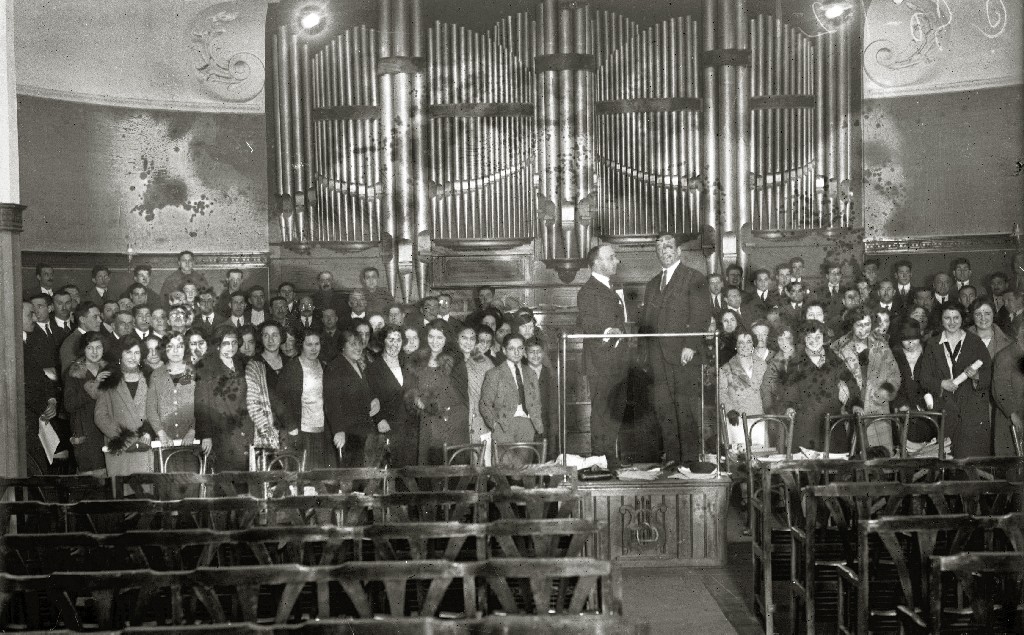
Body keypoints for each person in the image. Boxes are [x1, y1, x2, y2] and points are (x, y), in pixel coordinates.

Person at [640, 232, 713, 468]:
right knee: (664, 408)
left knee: (685, 408)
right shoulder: (652, 284)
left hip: (683, 354)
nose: (664, 251)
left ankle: (689, 459)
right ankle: (672, 457)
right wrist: (645, 355)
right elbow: (646, 322)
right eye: (659, 247)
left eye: (668, 246)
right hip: (657, 357)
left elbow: (701, 315)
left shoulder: (694, 277)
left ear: (679, 251)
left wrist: (690, 345)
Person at [576, 244, 630, 464]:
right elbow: (588, 323)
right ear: (597, 263)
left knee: (616, 410)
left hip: (617, 361)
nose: (617, 261)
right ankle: (600, 459)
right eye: (611, 257)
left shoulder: (611, 287)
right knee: (602, 412)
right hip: (600, 362)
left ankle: (610, 458)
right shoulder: (587, 291)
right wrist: (609, 331)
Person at [919, 303, 992, 458]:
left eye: (956, 318)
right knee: (947, 460)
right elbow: (924, 378)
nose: (952, 322)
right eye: (947, 318)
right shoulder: (932, 344)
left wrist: (976, 376)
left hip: (972, 412)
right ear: (941, 320)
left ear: (962, 319)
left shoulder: (975, 342)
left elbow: (989, 374)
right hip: (945, 411)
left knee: (971, 460)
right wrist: (941, 383)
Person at [778, 321, 862, 452]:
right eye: (809, 337)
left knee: (835, 461)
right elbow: (790, 391)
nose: (814, 341)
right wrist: (789, 407)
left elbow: (851, 382)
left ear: (824, 338)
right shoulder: (796, 363)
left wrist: (855, 404)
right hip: (806, 425)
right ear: (804, 339)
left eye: (818, 337)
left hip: (832, 423)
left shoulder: (834, 360)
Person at [834, 308, 901, 452]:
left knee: (881, 456)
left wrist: (886, 390)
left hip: (878, 408)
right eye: (859, 325)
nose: (864, 329)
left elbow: (894, 374)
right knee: (855, 455)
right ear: (851, 325)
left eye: (867, 324)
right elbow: (836, 380)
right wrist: (847, 398)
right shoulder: (839, 348)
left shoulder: (881, 345)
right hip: (852, 410)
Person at [406, 320, 468, 464]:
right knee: (428, 467)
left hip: (451, 422)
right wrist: (415, 398)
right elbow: (410, 388)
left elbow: (459, 395)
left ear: (447, 339)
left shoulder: (456, 361)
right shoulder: (417, 359)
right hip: (428, 423)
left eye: (439, 337)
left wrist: (428, 402)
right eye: (431, 337)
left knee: (449, 466)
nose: (434, 342)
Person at [479, 333, 544, 466]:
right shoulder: (494, 374)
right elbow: (485, 404)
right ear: (504, 350)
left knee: (524, 469)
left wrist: (534, 423)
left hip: (527, 424)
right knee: (504, 468)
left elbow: (536, 402)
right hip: (504, 425)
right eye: (511, 348)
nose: (516, 352)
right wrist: (495, 425)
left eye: (520, 348)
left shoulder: (530, 373)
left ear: (524, 350)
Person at [93, 336, 155, 476]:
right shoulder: (109, 379)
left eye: (137, 353)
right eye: (128, 352)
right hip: (119, 448)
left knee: (145, 487)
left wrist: (148, 432)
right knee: (121, 488)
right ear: (120, 354)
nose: (133, 357)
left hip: (145, 446)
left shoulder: (150, 378)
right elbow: (100, 416)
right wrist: (122, 437)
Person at [195, 327, 252, 472]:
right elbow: (202, 405)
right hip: (221, 430)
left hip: (245, 428)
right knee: (226, 473)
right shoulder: (206, 368)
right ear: (218, 345)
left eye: (234, 343)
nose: (231, 347)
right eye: (226, 343)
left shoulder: (244, 364)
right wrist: (206, 436)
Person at [278, 331, 336, 469]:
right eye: (309, 344)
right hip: (301, 432)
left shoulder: (324, 366)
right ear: (301, 345)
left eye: (317, 344)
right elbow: (282, 402)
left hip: (322, 432)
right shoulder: (292, 368)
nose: (314, 348)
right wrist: (292, 427)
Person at [323, 330, 381, 467]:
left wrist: (374, 399)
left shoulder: (355, 363)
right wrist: (339, 430)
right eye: (353, 344)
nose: (358, 347)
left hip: (361, 431)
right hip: (348, 434)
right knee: (351, 473)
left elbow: (362, 389)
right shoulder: (335, 367)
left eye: (359, 343)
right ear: (342, 346)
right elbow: (332, 403)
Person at [366, 326, 419, 467]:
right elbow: (369, 396)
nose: (394, 344)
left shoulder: (407, 364)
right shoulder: (373, 368)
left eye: (398, 340)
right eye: (390, 340)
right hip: (387, 427)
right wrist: (378, 419)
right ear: (383, 341)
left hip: (409, 428)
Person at [63, 332, 111, 475]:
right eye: (90, 348)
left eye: (98, 347)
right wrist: (94, 386)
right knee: (92, 478)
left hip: (107, 431)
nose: (95, 352)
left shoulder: (109, 370)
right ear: (83, 349)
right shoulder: (73, 372)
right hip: (86, 432)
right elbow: (69, 405)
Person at [145, 332, 197, 452]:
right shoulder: (156, 374)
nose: (175, 350)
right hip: (164, 441)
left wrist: (192, 431)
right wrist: (161, 433)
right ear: (164, 349)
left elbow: (202, 406)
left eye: (179, 346)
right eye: (170, 346)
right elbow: (150, 408)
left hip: (192, 440)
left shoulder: (193, 372)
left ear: (185, 348)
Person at [719, 332, 768, 449]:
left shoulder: (763, 365)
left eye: (749, 342)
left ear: (753, 344)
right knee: (739, 455)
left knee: (760, 454)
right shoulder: (726, 368)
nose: (745, 346)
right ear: (736, 346)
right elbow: (721, 393)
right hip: (737, 419)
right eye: (741, 343)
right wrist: (729, 410)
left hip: (758, 417)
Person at [245, 321, 286, 451]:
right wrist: (267, 431)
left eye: (275, 335)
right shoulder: (254, 365)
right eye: (266, 335)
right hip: (265, 430)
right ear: (260, 338)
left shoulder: (290, 362)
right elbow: (252, 403)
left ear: (281, 337)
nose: (270, 340)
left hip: (290, 429)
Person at [891, 323, 932, 441]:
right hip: (902, 408)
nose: (910, 343)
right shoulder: (894, 355)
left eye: (914, 339)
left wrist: (928, 399)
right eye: (906, 340)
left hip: (926, 408)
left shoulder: (929, 352)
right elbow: (889, 381)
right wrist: (899, 403)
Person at [991, 324, 1024, 457]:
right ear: (1020, 332)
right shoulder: (1005, 356)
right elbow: (1000, 388)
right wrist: (1012, 414)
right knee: (1010, 459)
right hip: (1011, 419)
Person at [525, 337, 558, 458]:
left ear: (543, 353)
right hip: (525, 424)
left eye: (538, 352)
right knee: (527, 457)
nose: (535, 355)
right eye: (531, 352)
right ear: (525, 354)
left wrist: (553, 425)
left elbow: (554, 402)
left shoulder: (550, 374)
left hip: (545, 424)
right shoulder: (519, 372)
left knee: (545, 456)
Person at [760, 325, 796, 412]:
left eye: (787, 338)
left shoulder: (802, 355)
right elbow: (766, 386)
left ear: (793, 339)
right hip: (783, 407)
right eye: (780, 339)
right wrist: (769, 409)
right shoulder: (774, 361)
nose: (784, 343)